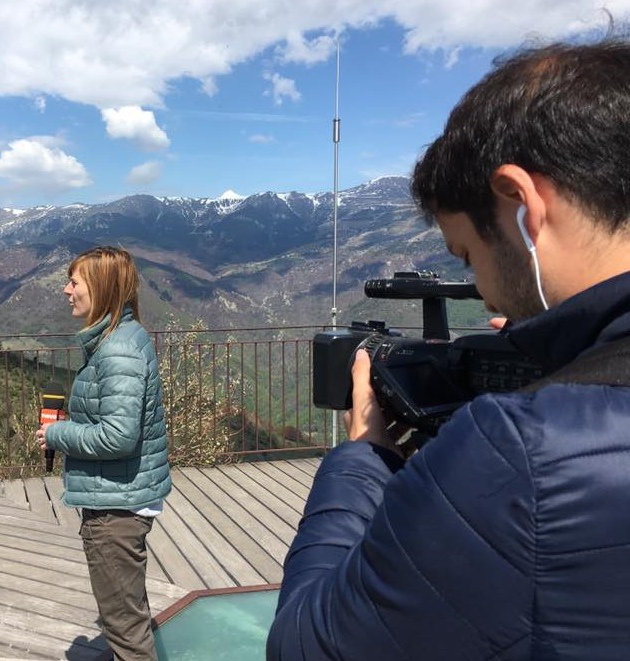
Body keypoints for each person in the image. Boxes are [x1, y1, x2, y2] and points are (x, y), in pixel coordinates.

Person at [268, 38, 630, 660]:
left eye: (468, 256)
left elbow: (304, 648)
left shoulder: (521, 453)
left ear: (521, 203)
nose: (487, 296)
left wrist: (363, 456)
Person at [35, 246, 172, 661]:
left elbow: (118, 436)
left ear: (102, 288)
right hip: (123, 498)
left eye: (74, 282)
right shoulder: (124, 338)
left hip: (115, 509)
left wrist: (57, 433)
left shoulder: (116, 351)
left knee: (125, 630)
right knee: (129, 612)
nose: (66, 290)